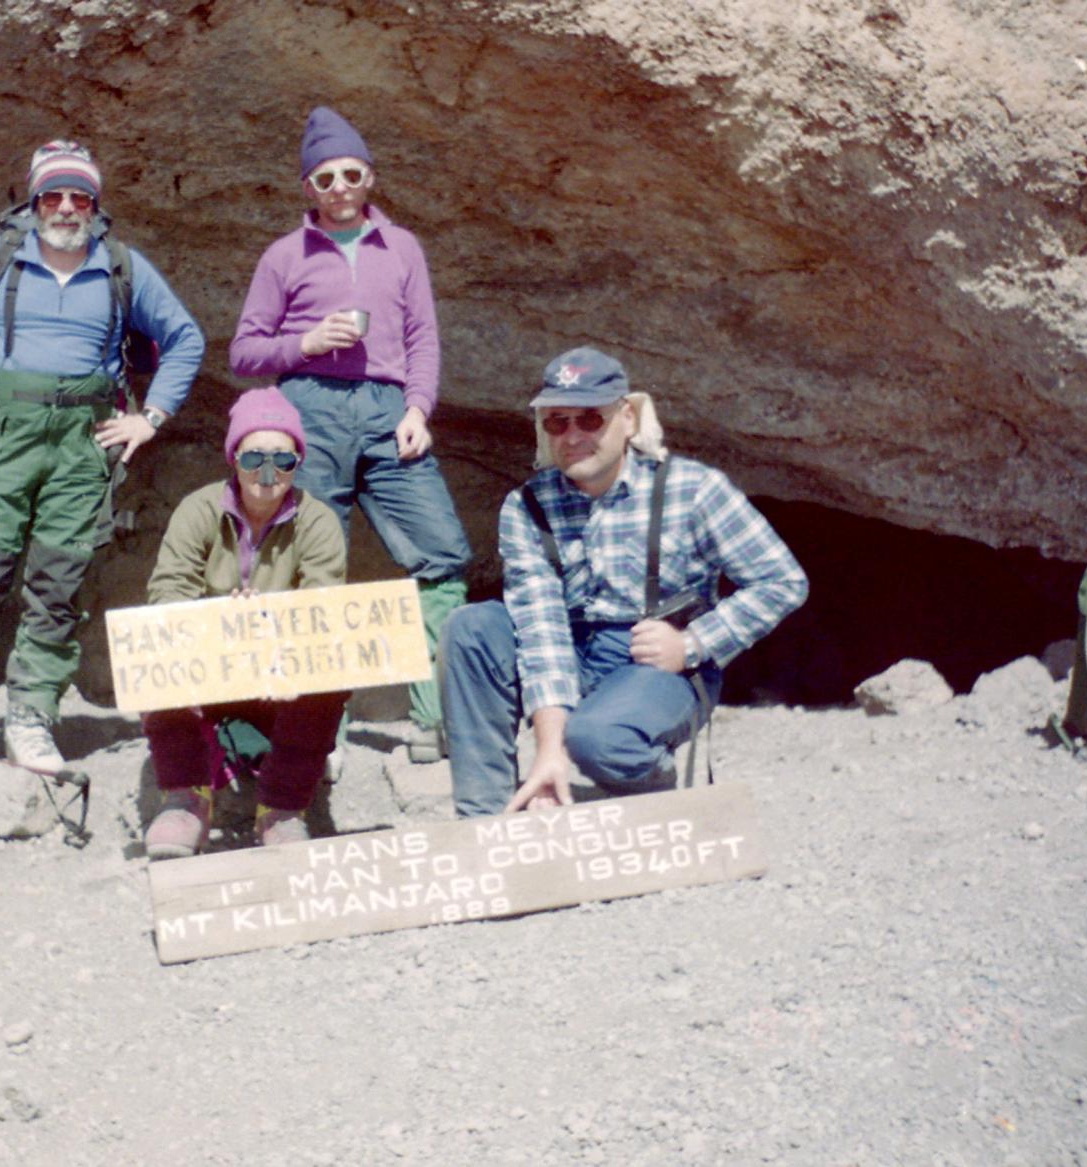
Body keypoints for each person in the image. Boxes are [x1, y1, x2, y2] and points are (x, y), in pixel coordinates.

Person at [0, 140, 205, 794]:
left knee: (58, 584)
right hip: (3, 433)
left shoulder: (121, 266)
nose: (66, 208)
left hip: (82, 444)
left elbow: (186, 338)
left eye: (79, 197)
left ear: (95, 206)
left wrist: (149, 418)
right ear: (34, 201)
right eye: (53, 196)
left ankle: (32, 717)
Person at [441, 347, 808, 817]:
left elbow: (781, 581)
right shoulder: (526, 506)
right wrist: (548, 751)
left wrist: (693, 643)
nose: (573, 435)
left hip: (658, 664)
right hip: (571, 648)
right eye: (557, 422)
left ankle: (654, 792)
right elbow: (541, 629)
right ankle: (486, 818)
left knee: (598, 739)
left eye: (590, 419)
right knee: (472, 627)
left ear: (628, 419)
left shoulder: (693, 489)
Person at [229, 106, 470, 764]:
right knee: (309, 565)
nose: (340, 187)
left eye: (351, 174)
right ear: (308, 187)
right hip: (309, 408)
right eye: (325, 177)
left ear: (371, 178)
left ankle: (433, 721)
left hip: (389, 410)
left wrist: (418, 409)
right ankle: (315, 732)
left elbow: (422, 338)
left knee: (442, 553)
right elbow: (244, 351)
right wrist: (305, 343)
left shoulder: (403, 247)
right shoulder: (284, 255)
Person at [141, 388, 350, 858]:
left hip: (280, 669)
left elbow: (323, 604)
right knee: (152, 650)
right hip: (207, 664)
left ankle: (282, 809)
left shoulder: (318, 521)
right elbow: (169, 592)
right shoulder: (198, 510)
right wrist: (220, 625)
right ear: (234, 458)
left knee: (332, 674)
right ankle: (185, 798)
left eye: (283, 459)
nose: (267, 472)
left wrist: (271, 632)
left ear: (298, 463)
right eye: (254, 457)